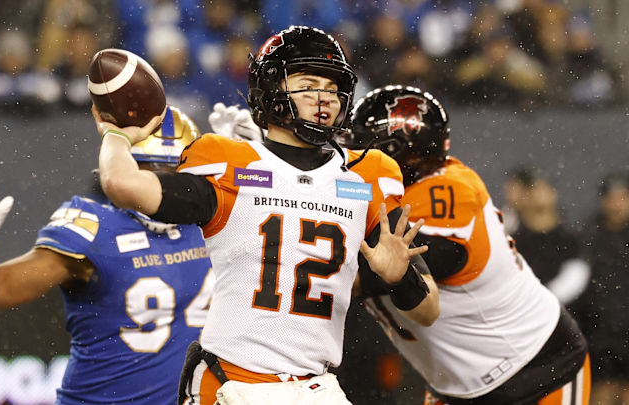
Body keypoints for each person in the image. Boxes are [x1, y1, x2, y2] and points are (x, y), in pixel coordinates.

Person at [94, 25, 439, 405]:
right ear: (273, 87)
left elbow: (428, 310)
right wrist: (116, 134)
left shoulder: (368, 174)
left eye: (332, 87)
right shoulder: (230, 163)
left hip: (315, 386)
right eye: (308, 84)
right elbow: (122, 184)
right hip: (233, 382)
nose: (324, 98)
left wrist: (399, 278)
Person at [0, 107, 215, 405]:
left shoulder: (215, 222)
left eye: (174, 174)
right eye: (149, 170)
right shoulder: (95, 227)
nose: (162, 186)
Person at [347, 85, 590, 405]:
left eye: (361, 149)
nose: (352, 158)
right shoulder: (397, 190)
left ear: (397, 155)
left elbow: (377, 273)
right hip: (456, 386)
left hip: (536, 369)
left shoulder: (447, 192)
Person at [574, 172, 629, 405]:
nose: (617, 204)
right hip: (598, 335)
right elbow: (577, 286)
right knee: (600, 394)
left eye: (623, 198)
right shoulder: (587, 236)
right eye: (612, 198)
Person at [512, 172, 590, 306]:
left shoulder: (571, 239)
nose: (537, 195)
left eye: (543, 189)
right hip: (523, 314)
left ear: (553, 194)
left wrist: (545, 298)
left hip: (564, 316)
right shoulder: (512, 241)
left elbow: (576, 276)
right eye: (531, 191)